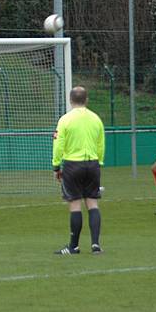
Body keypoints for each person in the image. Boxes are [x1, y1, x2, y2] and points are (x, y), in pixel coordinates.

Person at [52, 86, 105, 255]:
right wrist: (99, 162)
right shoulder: (96, 119)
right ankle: (95, 245)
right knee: (92, 203)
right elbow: (100, 143)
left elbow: (58, 144)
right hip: (93, 164)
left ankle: (73, 246)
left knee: (75, 205)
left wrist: (56, 166)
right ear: (86, 100)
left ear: (70, 100)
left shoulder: (65, 120)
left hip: (73, 165)